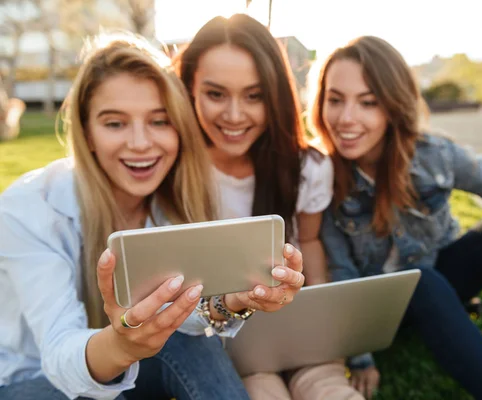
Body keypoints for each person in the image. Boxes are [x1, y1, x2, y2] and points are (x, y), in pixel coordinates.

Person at [0, 32, 306, 400]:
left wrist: (233, 301)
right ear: (88, 133)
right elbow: (58, 353)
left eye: (159, 121)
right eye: (115, 123)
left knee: (191, 343)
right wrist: (124, 345)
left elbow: (176, 317)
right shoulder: (31, 207)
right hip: (30, 381)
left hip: (126, 364)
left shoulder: (172, 202)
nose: (141, 143)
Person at [312, 36, 482, 400]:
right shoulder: (320, 177)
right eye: (335, 99)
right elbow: (341, 274)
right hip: (383, 311)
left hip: (444, 283)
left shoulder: (433, 154)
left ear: (393, 105)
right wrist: (359, 357)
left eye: (368, 102)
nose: (346, 118)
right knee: (418, 279)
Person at [173, 14, 363, 400]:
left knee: (326, 388)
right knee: (261, 390)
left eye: (254, 95)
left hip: (292, 319)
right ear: (188, 88)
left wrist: (318, 315)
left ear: (275, 95)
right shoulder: (173, 170)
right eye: (215, 94)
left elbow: (308, 242)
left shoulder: (308, 168)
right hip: (219, 333)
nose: (235, 115)